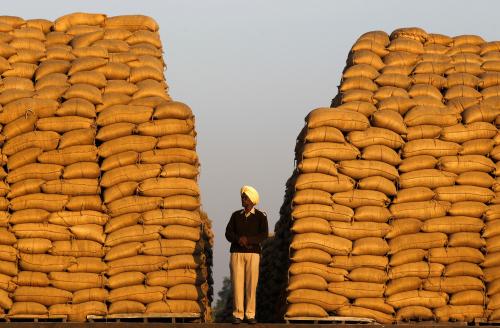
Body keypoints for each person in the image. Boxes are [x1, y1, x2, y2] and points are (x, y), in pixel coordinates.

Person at [225, 185, 269, 324]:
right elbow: (228, 233)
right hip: (237, 253)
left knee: (251, 284)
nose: (243, 199)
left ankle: (250, 314)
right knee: (237, 284)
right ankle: (238, 314)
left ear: (252, 200)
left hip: (253, 254)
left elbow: (263, 235)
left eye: (245, 197)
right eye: (242, 197)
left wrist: (248, 240)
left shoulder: (261, 216)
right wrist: (238, 239)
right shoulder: (235, 215)